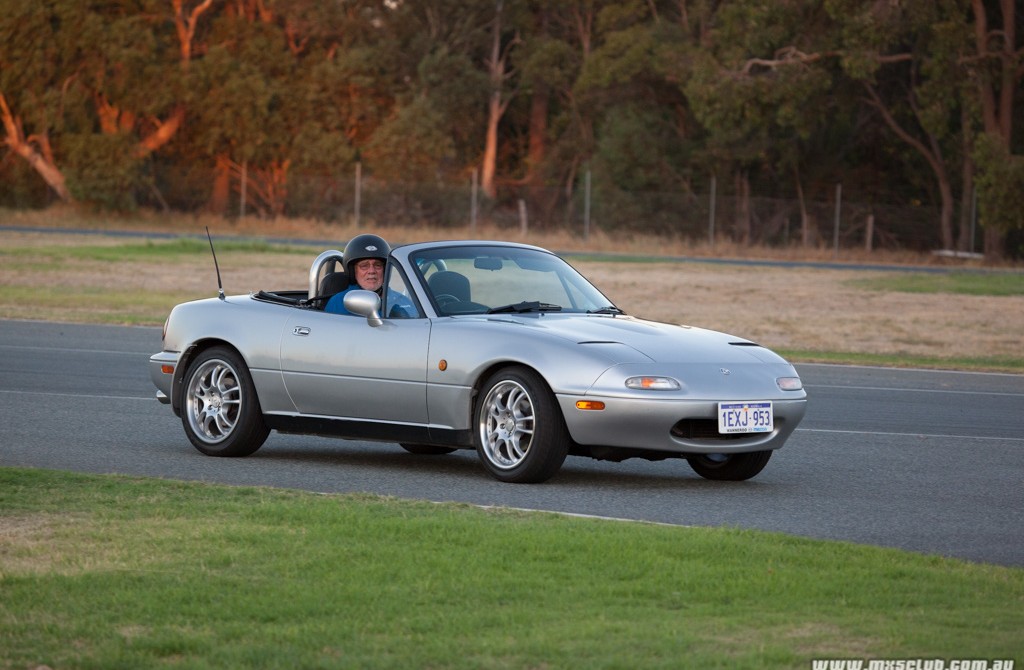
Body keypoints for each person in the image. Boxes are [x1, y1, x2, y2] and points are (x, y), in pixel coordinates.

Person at [324, 233, 390, 315]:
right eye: (364, 266)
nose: (372, 271)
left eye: (377, 265)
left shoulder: (399, 301)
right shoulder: (338, 303)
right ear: (353, 271)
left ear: (385, 270)